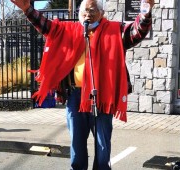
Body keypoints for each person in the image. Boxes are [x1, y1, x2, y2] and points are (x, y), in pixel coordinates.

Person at [11, 0, 154, 169]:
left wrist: (145, 10)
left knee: (102, 146)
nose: (87, 14)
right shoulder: (68, 30)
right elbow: (46, 27)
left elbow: (136, 32)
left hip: (102, 97)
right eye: (84, 10)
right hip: (75, 96)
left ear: (101, 13)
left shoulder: (115, 30)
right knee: (77, 145)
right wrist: (28, 9)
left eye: (92, 10)